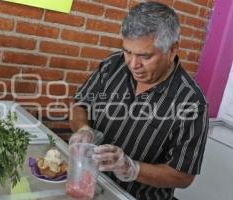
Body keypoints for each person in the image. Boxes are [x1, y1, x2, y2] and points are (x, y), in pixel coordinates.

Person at [68, 1, 209, 200]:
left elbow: (183, 175)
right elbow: (80, 104)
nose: (133, 64)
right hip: (90, 185)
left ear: (172, 49)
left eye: (145, 56)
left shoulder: (192, 103)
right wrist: (82, 129)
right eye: (128, 51)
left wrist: (133, 168)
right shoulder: (113, 65)